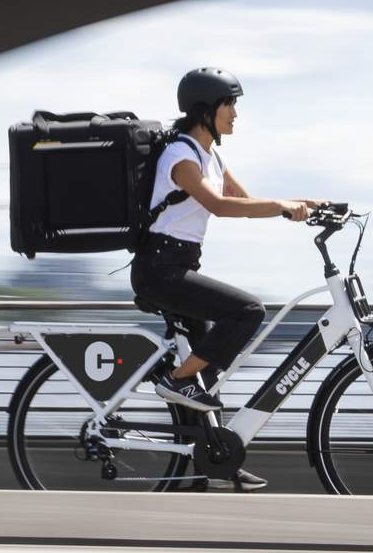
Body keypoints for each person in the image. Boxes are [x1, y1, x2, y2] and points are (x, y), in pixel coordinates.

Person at [133, 68, 312, 450]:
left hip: (180, 267)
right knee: (247, 310)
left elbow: (244, 200)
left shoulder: (210, 157)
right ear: (205, 110)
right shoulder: (181, 155)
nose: (235, 113)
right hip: (160, 271)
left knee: (210, 374)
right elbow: (219, 205)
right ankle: (175, 380)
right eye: (229, 104)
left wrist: (310, 204)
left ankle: (212, 461)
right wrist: (283, 206)